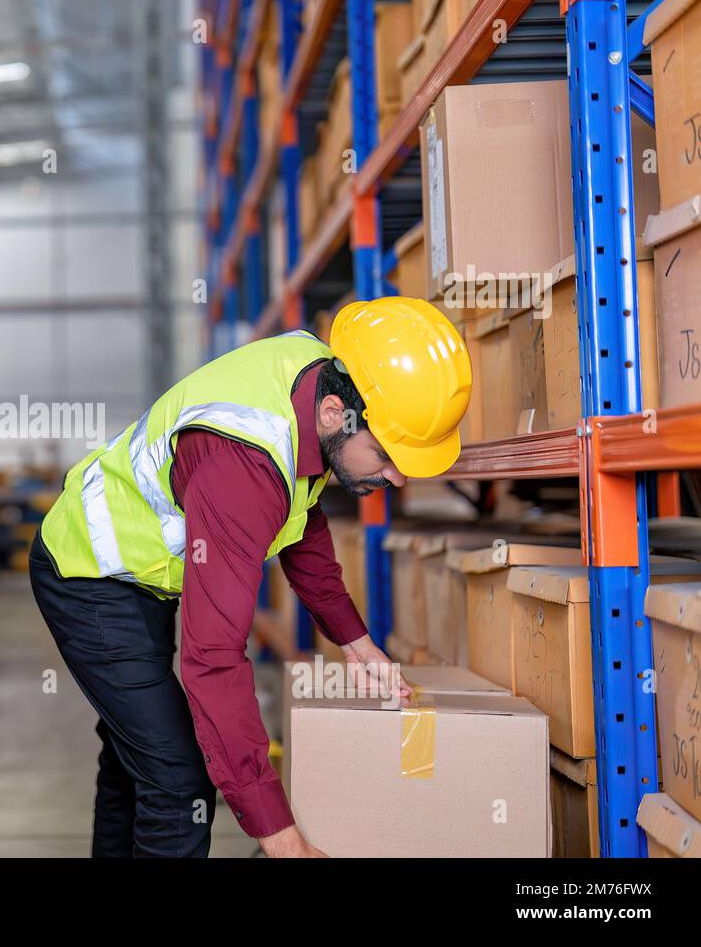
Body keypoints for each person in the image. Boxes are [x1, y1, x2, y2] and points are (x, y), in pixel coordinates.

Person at [29, 298, 472, 858]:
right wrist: (282, 839)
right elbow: (213, 661)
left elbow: (301, 519)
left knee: (134, 754)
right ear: (337, 413)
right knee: (178, 782)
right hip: (89, 573)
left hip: (141, 571)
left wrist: (355, 643)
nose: (398, 478)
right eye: (386, 455)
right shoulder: (240, 468)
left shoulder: (316, 377)